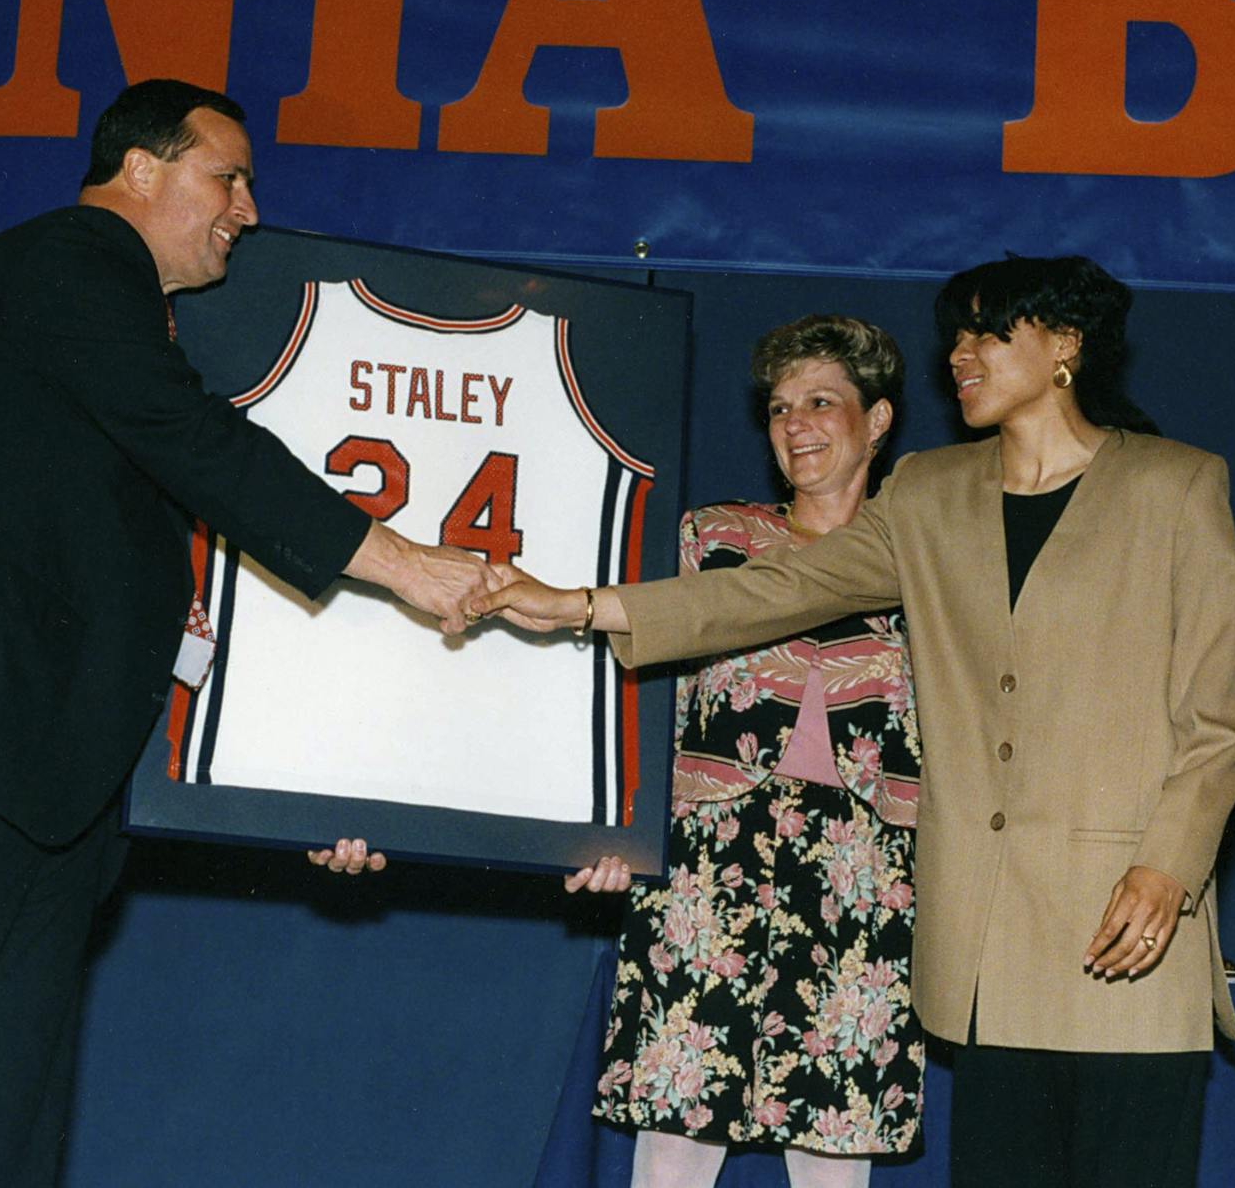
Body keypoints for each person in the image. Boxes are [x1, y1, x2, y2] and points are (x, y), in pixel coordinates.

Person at [0, 79, 492, 1188]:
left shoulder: (103, 332)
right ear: (140, 167)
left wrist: (327, 780)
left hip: (43, 796)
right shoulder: (68, 260)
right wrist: (407, 564)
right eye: (228, 176)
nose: (249, 209)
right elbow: (196, 442)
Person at [478, 256, 1235, 1187]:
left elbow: (1219, 716)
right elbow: (774, 589)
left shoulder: (1176, 484)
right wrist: (577, 606)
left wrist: (1169, 864)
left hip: (1124, 928)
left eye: (986, 332)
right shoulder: (928, 493)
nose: (959, 355)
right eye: (954, 337)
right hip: (989, 949)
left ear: (1064, 345)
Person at [312, 316, 924, 1188]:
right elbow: (622, 697)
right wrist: (606, 831)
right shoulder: (710, 537)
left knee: (835, 1144)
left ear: (879, 419)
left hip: (863, 870)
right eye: (779, 407)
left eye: (821, 402)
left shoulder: (925, 556)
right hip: (709, 860)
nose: (796, 424)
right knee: (675, 1136)